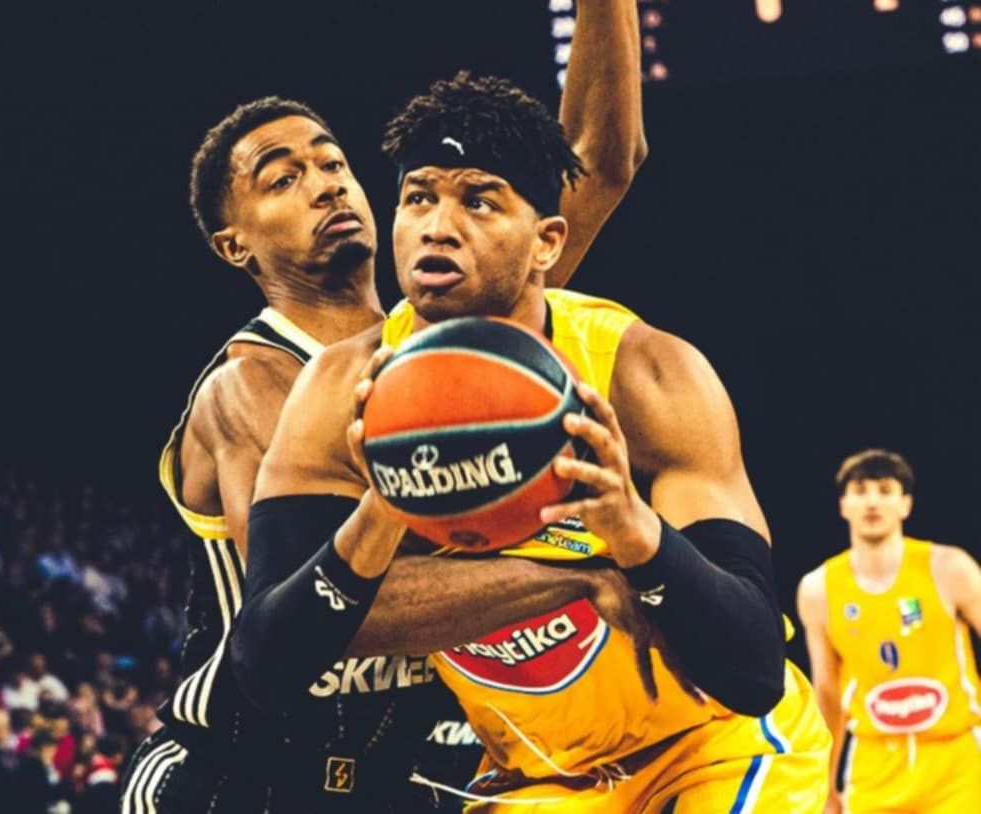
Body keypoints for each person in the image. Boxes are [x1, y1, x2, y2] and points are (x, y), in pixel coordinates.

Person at [240, 71, 833, 812]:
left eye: (478, 201)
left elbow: (752, 670)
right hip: (542, 780)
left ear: (548, 240)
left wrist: (636, 532)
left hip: (713, 747)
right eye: (418, 198)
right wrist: (383, 512)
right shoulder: (339, 392)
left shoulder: (643, 374)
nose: (437, 226)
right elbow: (265, 661)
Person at [121, 3, 648, 811]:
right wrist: (583, 576)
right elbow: (323, 614)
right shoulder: (250, 385)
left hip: (405, 775)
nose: (325, 183)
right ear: (235, 244)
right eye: (283, 179)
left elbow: (597, 166)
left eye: (332, 162)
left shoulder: (452, 336)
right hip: (239, 772)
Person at [797, 450, 981, 813]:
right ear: (843, 505)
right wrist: (825, 785)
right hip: (872, 767)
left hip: (957, 764)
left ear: (905, 504)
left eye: (885, 490)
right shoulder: (818, 589)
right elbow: (828, 693)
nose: (872, 502)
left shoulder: (949, 567)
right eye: (860, 490)